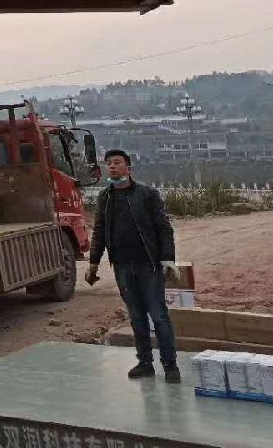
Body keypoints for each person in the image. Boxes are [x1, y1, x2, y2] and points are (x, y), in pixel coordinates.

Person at [85, 149, 181, 382]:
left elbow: (164, 228)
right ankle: (145, 363)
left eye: (117, 162)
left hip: (148, 265)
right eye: (108, 163)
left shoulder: (147, 194)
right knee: (136, 318)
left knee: (159, 316)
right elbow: (99, 231)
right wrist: (93, 262)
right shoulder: (105, 197)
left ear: (128, 168)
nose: (112, 166)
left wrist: (167, 259)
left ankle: (170, 365)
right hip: (122, 266)